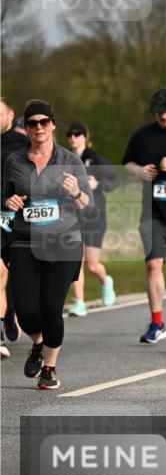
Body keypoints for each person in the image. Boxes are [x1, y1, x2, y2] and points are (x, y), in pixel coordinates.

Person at [2, 101, 96, 389]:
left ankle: (50, 368)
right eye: (33, 123)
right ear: (27, 128)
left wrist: (77, 192)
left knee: (52, 308)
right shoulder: (14, 161)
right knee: (27, 312)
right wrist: (9, 201)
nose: (39, 127)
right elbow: (4, 198)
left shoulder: (70, 161)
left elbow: (88, 207)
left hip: (63, 243)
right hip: (24, 242)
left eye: (45, 122)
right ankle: (38, 342)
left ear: (53, 125)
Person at [123, 88, 166, 345]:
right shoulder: (142, 136)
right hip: (151, 212)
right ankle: (157, 323)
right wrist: (140, 171)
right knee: (153, 263)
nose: (162, 116)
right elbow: (127, 163)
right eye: (157, 112)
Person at [64, 122, 118, 316]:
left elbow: (115, 182)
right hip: (72, 217)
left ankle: (106, 281)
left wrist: (99, 183)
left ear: (85, 137)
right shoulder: (66, 161)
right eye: (70, 134)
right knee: (75, 261)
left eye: (77, 134)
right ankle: (79, 303)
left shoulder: (97, 160)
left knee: (92, 265)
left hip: (96, 216)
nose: (73, 137)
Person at [1, 97, 29, 360]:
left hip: (18, 219)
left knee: (16, 274)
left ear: (10, 116)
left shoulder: (23, 145)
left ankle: (10, 312)